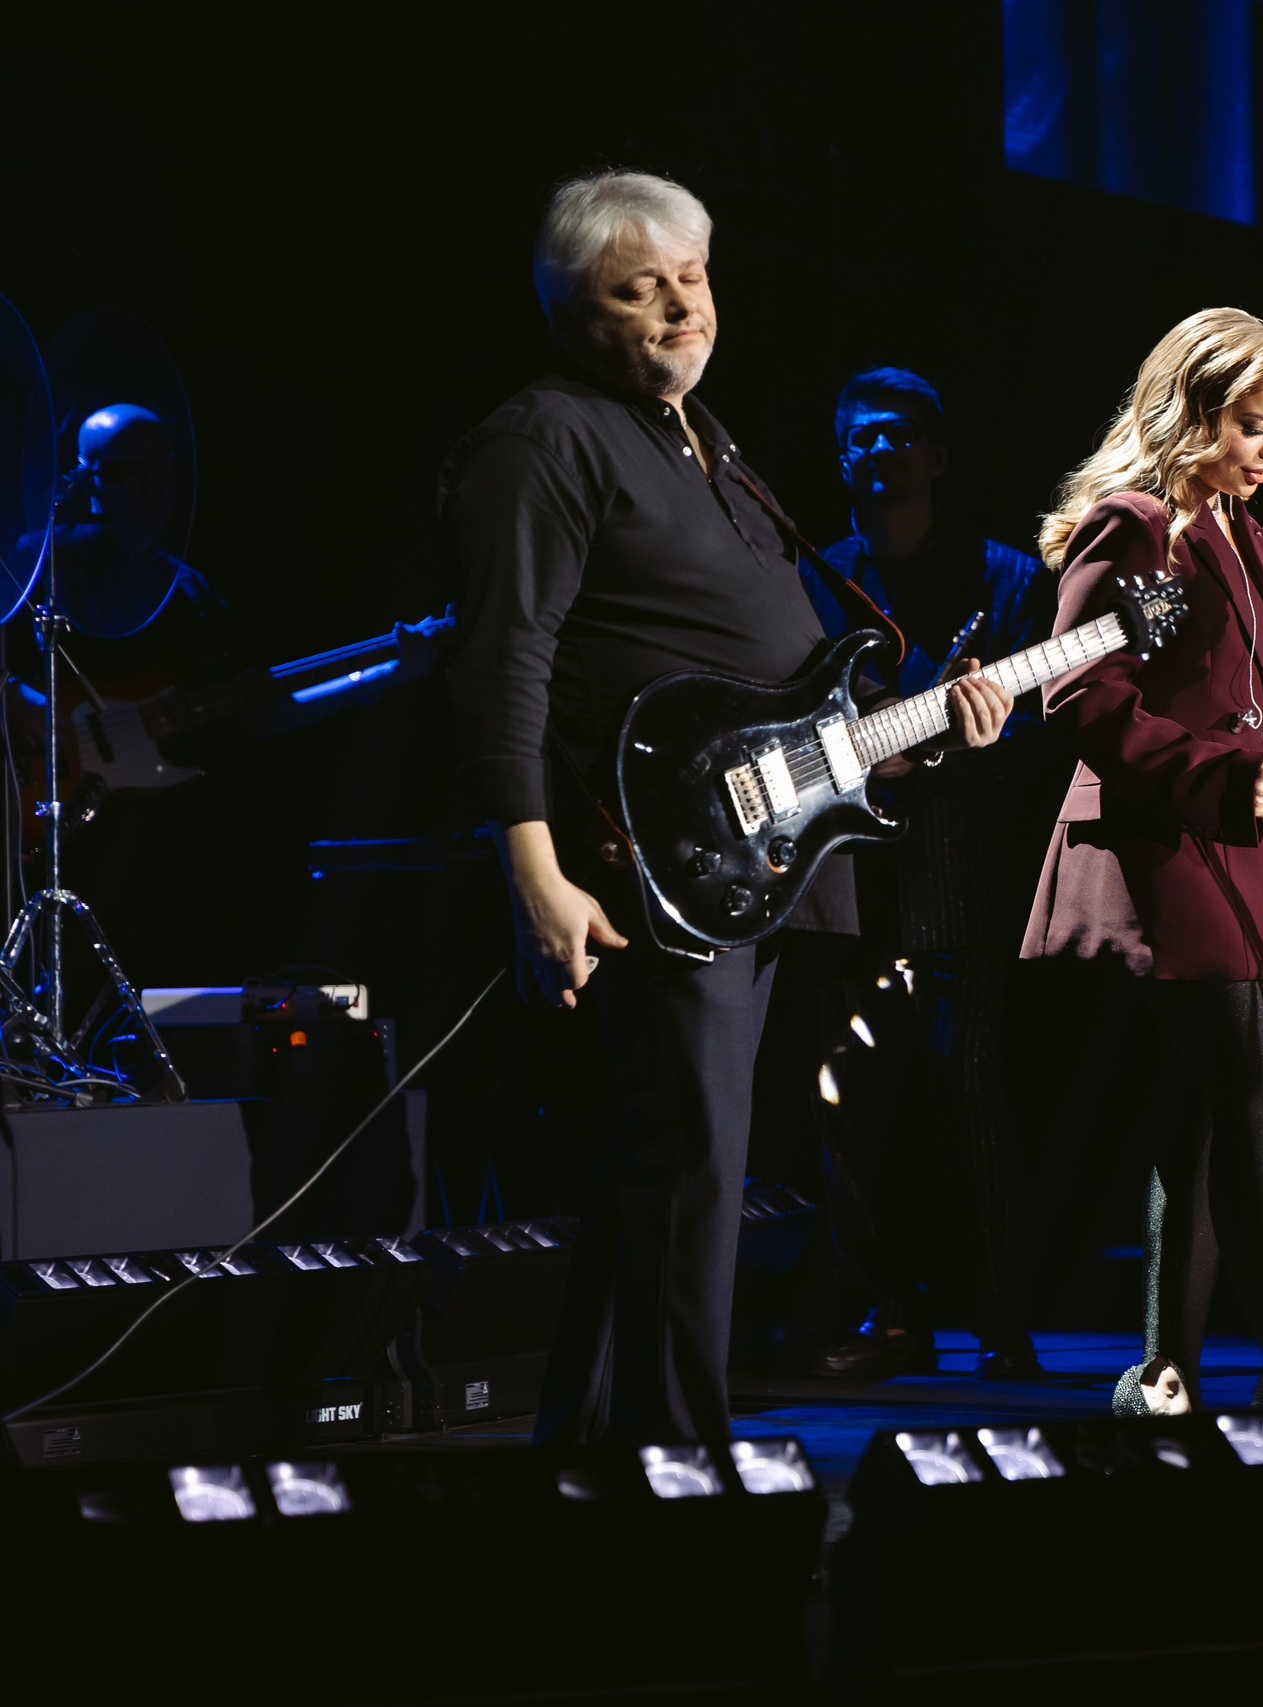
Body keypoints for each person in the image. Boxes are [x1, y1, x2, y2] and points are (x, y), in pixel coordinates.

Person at [441, 169, 1011, 1444]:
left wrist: (918, 732)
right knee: (689, 1166)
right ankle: (682, 1468)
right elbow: (501, 669)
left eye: (690, 280)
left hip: (753, 856)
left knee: (665, 1173)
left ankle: (593, 1459)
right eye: (634, 292)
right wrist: (535, 874)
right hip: (649, 864)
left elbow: (796, 688)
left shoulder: (717, 449)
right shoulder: (542, 440)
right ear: (567, 312)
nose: (675, 312)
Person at [1021, 307, 1263, 1415]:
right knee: (1255, 1084)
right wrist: (1216, 778)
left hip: (1229, 837)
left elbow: (1246, 715)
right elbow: (1078, 693)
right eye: (1252, 425)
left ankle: (1163, 1371)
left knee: (1212, 1105)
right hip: (1157, 840)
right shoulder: (1132, 527)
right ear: (1191, 414)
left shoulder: (1249, 535)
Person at [768, 366, 1057, 1383]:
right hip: (839, 882)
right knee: (846, 1112)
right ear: (842, 457)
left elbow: (1040, 739)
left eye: (901, 436)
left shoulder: (1009, 579)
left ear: (936, 453)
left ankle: (1002, 1318)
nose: (882, 452)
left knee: (966, 1096)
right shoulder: (810, 576)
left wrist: (932, 748)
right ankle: (885, 1311)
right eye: (863, 438)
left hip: (958, 881)